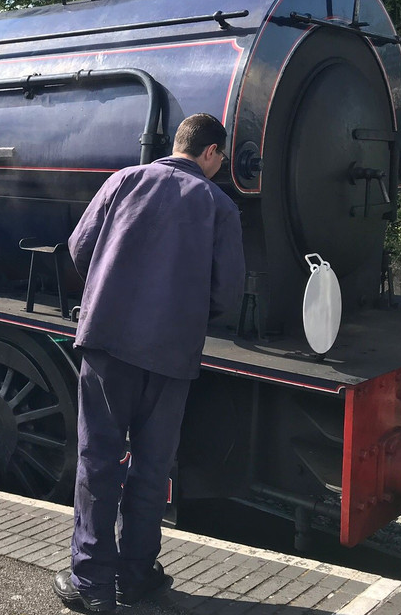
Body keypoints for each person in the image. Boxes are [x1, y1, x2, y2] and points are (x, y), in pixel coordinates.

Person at [53, 113, 245, 613]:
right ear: (209, 152)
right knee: (151, 468)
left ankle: (91, 582)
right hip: (171, 356)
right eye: (220, 156)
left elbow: (78, 248)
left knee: (99, 461)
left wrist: (108, 289)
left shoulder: (124, 181)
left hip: (108, 343)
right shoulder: (219, 206)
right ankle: (135, 577)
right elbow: (227, 294)